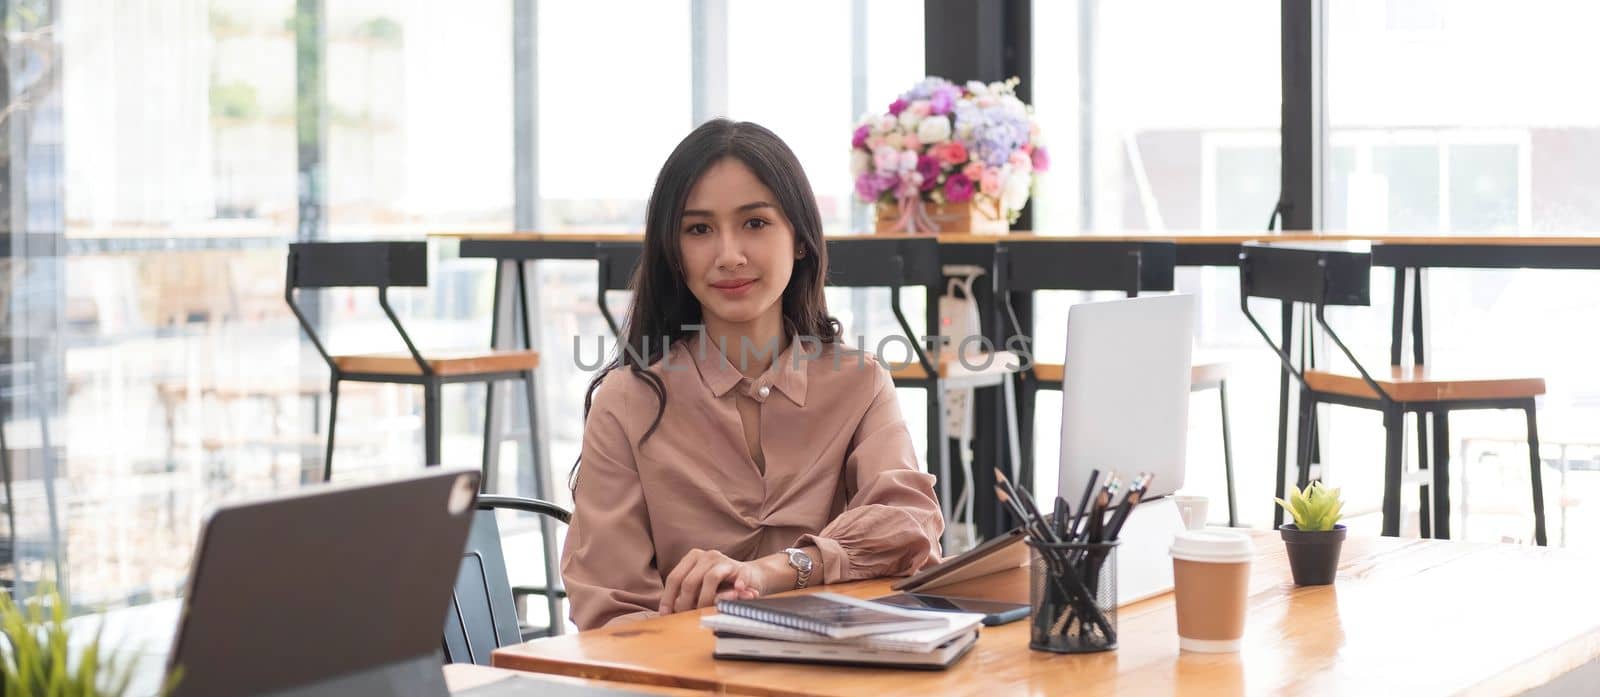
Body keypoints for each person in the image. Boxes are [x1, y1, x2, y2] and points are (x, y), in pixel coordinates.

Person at [559, 119, 945, 630]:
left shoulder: (860, 383)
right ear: (674, 254)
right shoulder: (627, 402)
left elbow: (908, 528)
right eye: (699, 230)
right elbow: (610, 610)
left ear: (800, 238)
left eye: (755, 223)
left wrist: (776, 571)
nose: (729, 255)